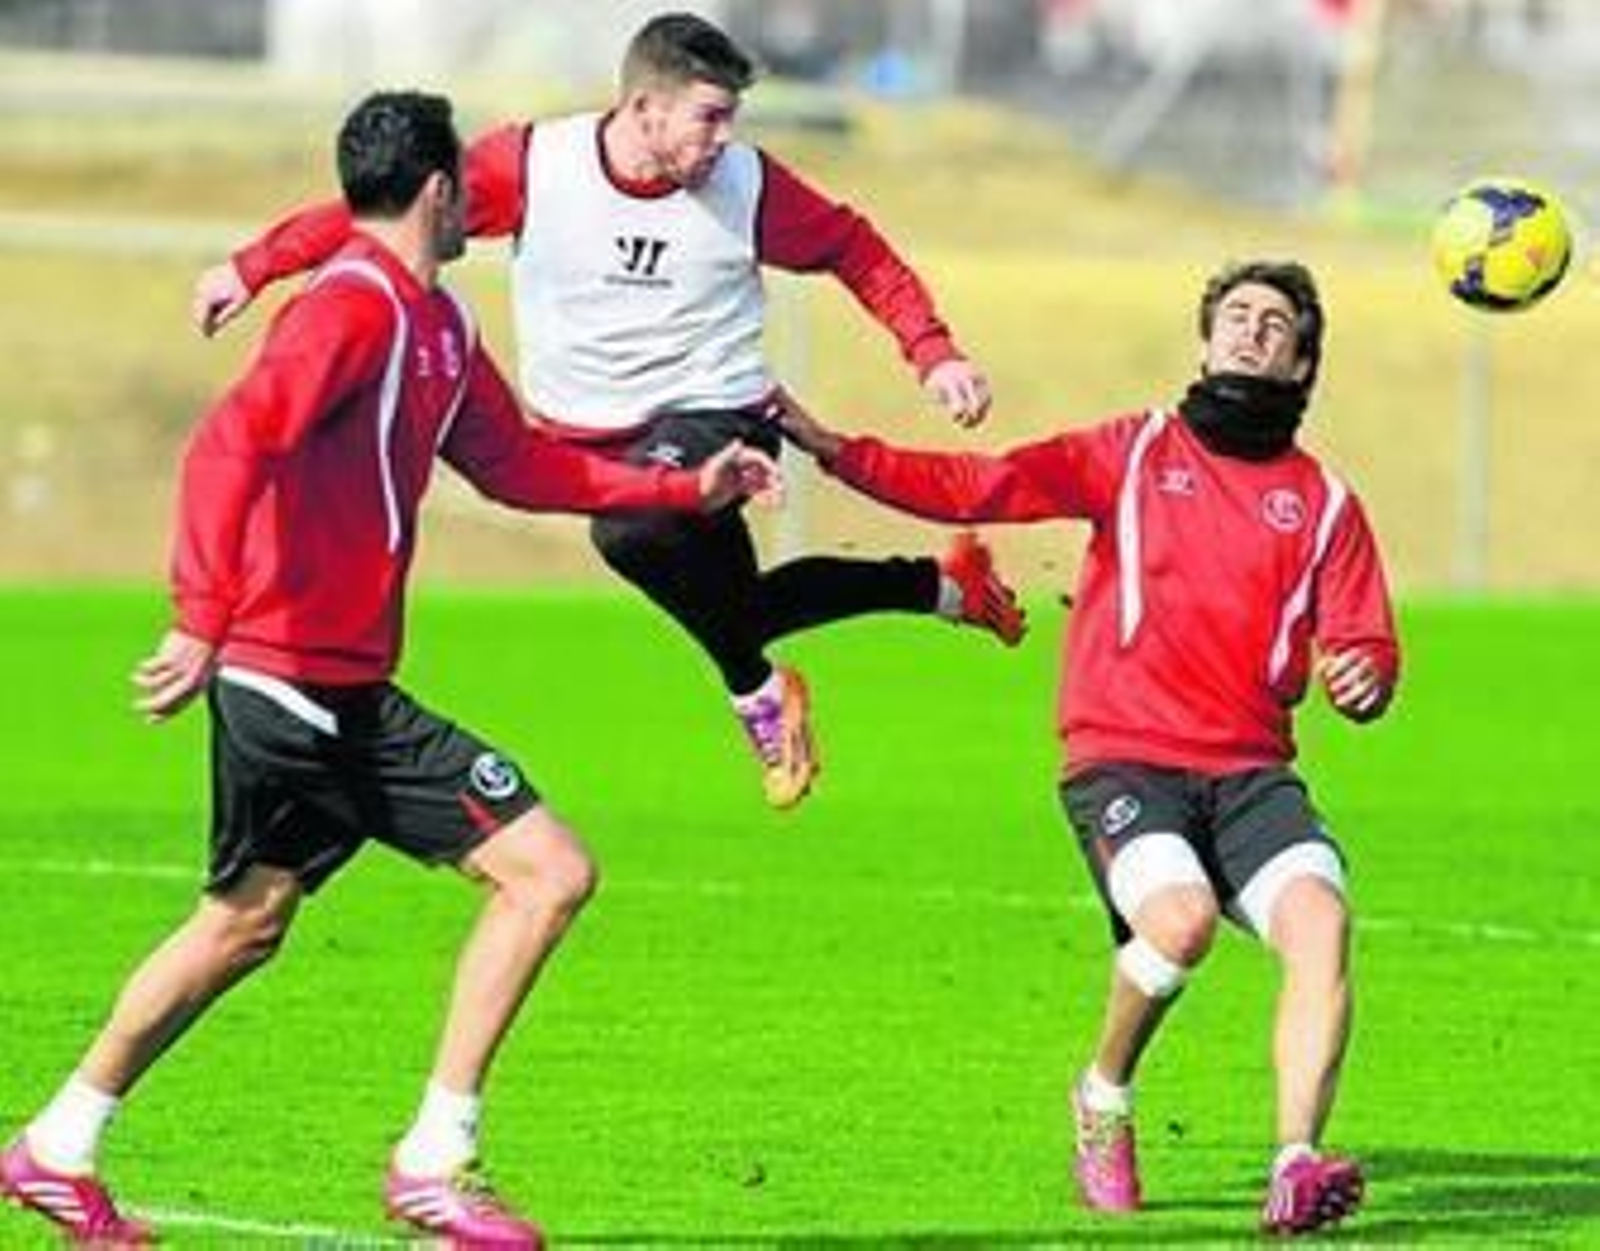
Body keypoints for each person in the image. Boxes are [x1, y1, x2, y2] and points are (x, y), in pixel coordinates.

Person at [0, 90, 775, 1248]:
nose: (479, 203)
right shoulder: (348, 313)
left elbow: (521, 467)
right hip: (297, 680)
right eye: (467, 185)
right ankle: (434, 1161)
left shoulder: (441, 327)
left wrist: (676, 488)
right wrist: (200, 617)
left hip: (325, 682)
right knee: (546, 871)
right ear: (435, 191)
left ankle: (54, 1148)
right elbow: (230, 442)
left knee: (242, 922)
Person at [190, 11, 1025, 812]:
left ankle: (756, 691)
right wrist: (253, 265)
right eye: (709, 117)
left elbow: (853, 246)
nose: (724, 138)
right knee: (742, 607)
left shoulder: (748, 184)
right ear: (642, 107)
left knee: (631, 534)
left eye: (732, 117)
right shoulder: (537, 165)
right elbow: (385, 204)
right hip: (593, 443)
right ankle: (944, 586)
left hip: (716, 410)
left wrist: (933, 349)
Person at [772, 260, 1398, 1237]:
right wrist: (833, 449)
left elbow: (1366, 643)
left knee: (1320, 922)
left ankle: (1295, 1164)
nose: (1248, 333)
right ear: (1204, 339)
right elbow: (983, 483)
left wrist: (1364, 675)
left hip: (1250, 775)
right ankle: (1102, 1097)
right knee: (1180, 923)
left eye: (1273, 324)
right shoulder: (1135, 451)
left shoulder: (1323, 503)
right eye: (1233, 316)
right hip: (1124, 759)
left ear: (1302, 360)